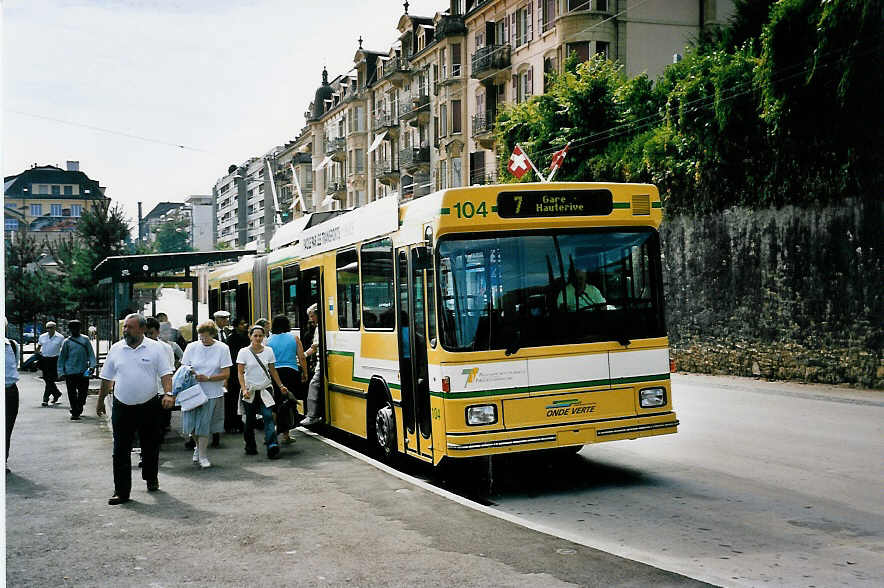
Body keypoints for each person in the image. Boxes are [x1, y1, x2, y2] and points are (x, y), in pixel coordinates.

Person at [97, 314, 174, 505]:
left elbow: (166, 374)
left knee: (150, 445)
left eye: (129, 327)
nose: (125, 330)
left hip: (149, 405)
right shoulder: (116, 349)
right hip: (122, 406)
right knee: (120, 449)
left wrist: (168, 393)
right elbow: (107, 377)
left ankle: (151, 477)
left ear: (141, 329)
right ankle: (121, 491)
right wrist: (100, 401)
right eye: (124, 327)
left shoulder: (156, 348)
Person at [179, 320, 231, 467]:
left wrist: (208, 378)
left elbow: (226, 373)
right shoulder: (191, 347)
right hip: (193, 391)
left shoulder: (222, 348)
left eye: (206, 337)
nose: (202, 340)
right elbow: (184, 368)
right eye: (200, 337)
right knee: (192, 426)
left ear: (213, 335)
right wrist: (190, 372)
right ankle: (198, 448)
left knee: (203, 425)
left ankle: (202, 455)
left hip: (211, 392)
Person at [236, 324, 288, 459]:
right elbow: (240, 373)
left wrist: (280, 385)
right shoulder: (243, 352)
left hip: (265, 389)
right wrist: (243, 389)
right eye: (255, 336)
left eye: (260, 336)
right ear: (250, 336)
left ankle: (272, 445)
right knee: (250, 420)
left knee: (268, 416)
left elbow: (272, 370)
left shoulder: (269, 351)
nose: (258, 338)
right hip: (250, 390)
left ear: (264, 337)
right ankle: (250, 445)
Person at [267, 315, 308, 443]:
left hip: (275, 374)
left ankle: (271, 432)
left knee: (276, 403)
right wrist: (305, 372)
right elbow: (301, 357)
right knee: (289, 402)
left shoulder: (269, 340)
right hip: (291, 372)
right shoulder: (294, 338)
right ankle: (286, 435)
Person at [57, 320, 96, 420]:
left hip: (83, 371)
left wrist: (92, 366)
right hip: (70, 372)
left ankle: (79, 406)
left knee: (83, 393)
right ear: (70, 330)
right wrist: (61, 372)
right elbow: (62, 358)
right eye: (73, 328)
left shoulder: (85, 340)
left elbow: (91, 354)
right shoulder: (66, 342)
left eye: (77, 328)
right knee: (72, 393)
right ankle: (75, 411)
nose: (75, 330)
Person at [145, 317, 175, 434]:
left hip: (160, 390)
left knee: (160, 425)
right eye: (146, 333)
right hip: (144, 391)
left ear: (158, 332)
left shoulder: (166, 348)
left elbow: (170, 371)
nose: (148, 337)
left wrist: (169, 393)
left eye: (151, 333)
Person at [224, 317, 250, 433]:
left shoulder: (233, 339)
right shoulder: (236, 339)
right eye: (242, 323)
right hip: (236, 372)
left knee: (235, 399)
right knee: (234, 399)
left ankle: (235, 423)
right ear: (236, 326)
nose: (245, 325)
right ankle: (233, 423)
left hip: (237, 371)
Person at [300, 304, 324, 427]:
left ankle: (312, 415)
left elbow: (314, 347)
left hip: (322, 361)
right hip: (321, 360)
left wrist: (302, 356)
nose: (311, 319)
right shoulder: (320, 326)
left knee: (314, 385)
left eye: (312, 316)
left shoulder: (320, 327)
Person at [37, 321, 65, 406]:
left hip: (55, 359)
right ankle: (57, 393)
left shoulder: (60, 337)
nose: (49, 329)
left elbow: (63, 350)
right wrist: (38, 355)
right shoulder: (42, 337)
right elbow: (38, 347)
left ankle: (45, 399)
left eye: (51, 327)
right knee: (47, 379)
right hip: (45, 359)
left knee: (50, 379)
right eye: (47, 328)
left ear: (54, 328)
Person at [6, 323, 20, 473]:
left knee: (7, 428)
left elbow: (14, 366)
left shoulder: (12, 345)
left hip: (9, 390)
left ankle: (3, 460)